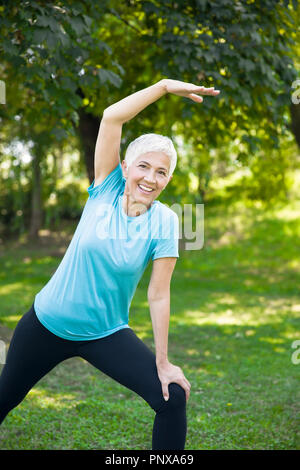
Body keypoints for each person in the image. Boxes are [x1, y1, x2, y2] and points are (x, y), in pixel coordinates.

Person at [0, 79, 220, 449]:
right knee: (5, 398)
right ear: (124, 166)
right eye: (143, 166)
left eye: (161, 172)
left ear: (168, 180)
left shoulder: (165, 221)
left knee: (172, 398)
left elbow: (159, 293)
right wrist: (164, 87)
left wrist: (164, 362)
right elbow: (111, 117)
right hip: (46, 323)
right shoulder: (106, 187)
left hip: (105, 333)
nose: (150, 178)